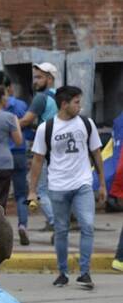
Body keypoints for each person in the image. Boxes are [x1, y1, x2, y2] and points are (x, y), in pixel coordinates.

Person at [28, 85, 106, 290]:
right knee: (61, 230)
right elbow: (37, 161)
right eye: (76, 102)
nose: (80, 106)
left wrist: (102, 184)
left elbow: (96, 153)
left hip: (82, 184)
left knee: (87, 225)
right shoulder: (47, 128)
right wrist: (32, 190)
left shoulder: (86, 123)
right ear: (64, 104)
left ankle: (85, 272)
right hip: (57, 186)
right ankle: (62, 272)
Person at [0, 71, 31, 245]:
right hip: (18, 153)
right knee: (21, 194)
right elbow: (25, 130)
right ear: (8, 88)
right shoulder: (20, 105)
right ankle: (23, 226)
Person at [19, 63, 59, 232]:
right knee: (52, 188)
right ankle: (56, 221)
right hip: (58, 147)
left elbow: (26, 120)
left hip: (45, 148)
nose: (35, 81)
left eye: (39, 77)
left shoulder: (40, 98)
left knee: (37, 188)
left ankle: (56, 223)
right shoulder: (59, 95)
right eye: (35, 77)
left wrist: (8, 124)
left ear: (50, 79)